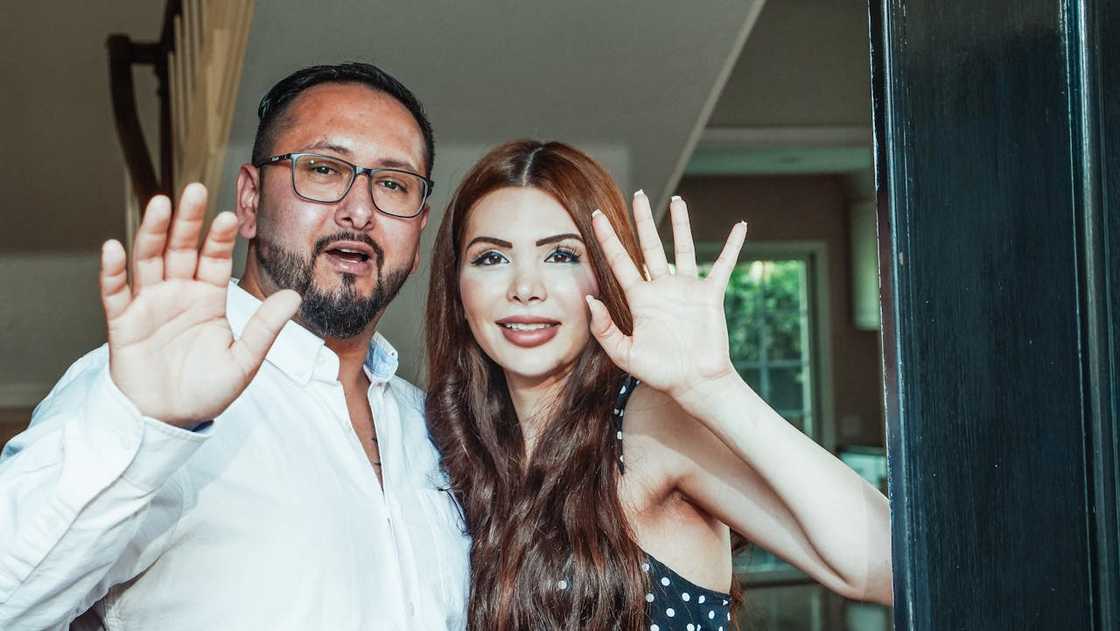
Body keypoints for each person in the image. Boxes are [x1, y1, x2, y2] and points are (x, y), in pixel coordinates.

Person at [0, 63, 469, 630]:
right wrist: (142, 426)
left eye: (393, 183)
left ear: (418, 232)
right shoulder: (151, 392)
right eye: (322, 169)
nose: (360, 209)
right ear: (249, 200)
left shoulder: (435, 428)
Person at [425, 140, 893, 630]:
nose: (525, 287)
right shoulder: (448, 444)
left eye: (561, 255)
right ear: (457, 288)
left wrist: (716, 389)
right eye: (491, 259)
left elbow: (888, 565)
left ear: (606, 275)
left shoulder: (650, 425)